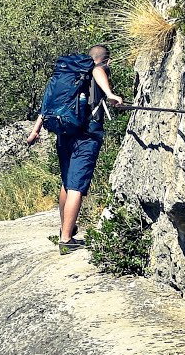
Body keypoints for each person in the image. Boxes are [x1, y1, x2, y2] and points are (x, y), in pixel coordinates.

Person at [24, 44, 126, 252]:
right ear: (107, 60)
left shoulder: (67, 74)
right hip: (85, 136)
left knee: (67, 183)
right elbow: (98, 70)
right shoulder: (96, 68)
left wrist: (35, 131)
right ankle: (66, 239)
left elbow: (47, 103)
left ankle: (65, 228)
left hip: (63, 132)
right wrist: (109, 93)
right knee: (76, 187)